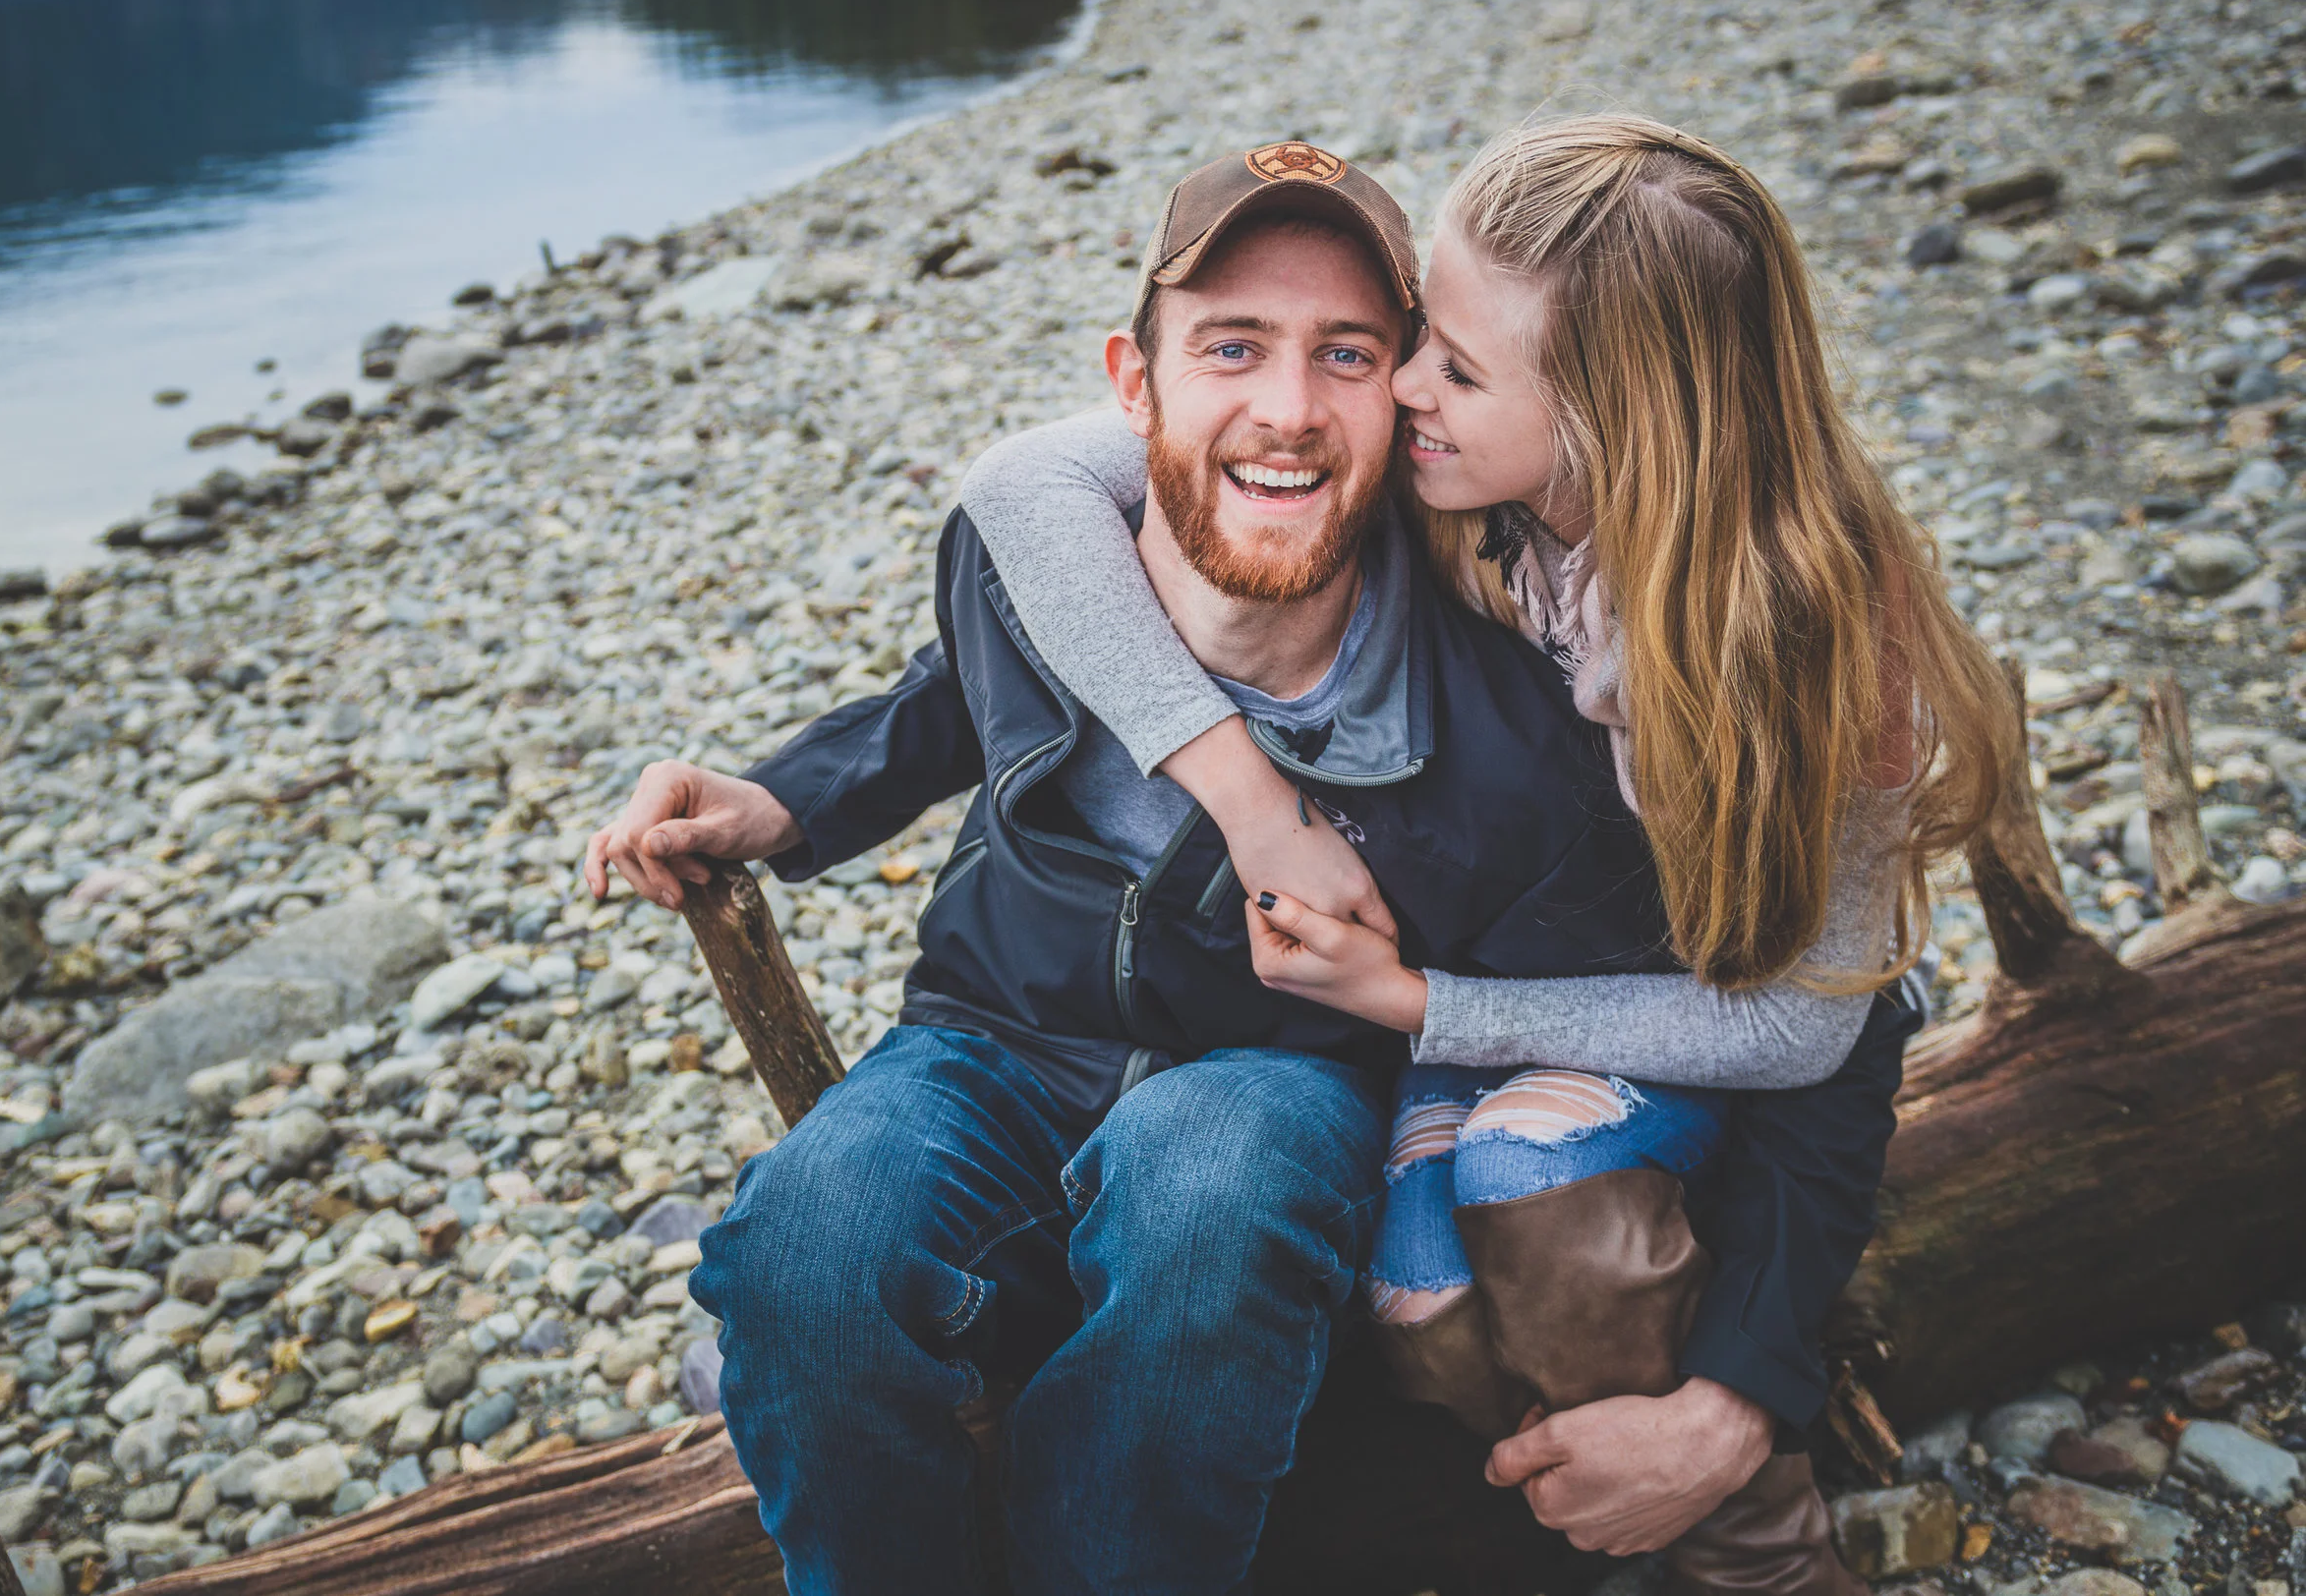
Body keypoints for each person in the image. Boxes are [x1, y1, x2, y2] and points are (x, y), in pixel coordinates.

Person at [583, 142, 1924, 1596]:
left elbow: (1806, 1014)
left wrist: (1739, 1389)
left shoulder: (1510, 667)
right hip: (993, 1031)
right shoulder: (1063, 555)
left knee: (1209, 1192)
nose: (1293, 408)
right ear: (1136, 381)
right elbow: (971, 663)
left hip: (1284, 1064)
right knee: (806, 1253)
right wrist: (784, 798)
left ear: (1411, 390)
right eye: (1233, 347)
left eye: (1359, 354)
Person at [951, 118, 2016, 1589]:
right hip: (1536, 987)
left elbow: (1805, 1023)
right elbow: (1020, 487)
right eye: (1418, 340)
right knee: (1413, 1279)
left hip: (1723, 1038)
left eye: (1450, 364)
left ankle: (1758, 1552)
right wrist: (1255, 805)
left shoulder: (1808, 646)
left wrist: (1425, 1011)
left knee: (1538, 1174)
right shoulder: (1477, 491)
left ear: (1606, 418)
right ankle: (1567, 1494)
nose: (1394, 390)